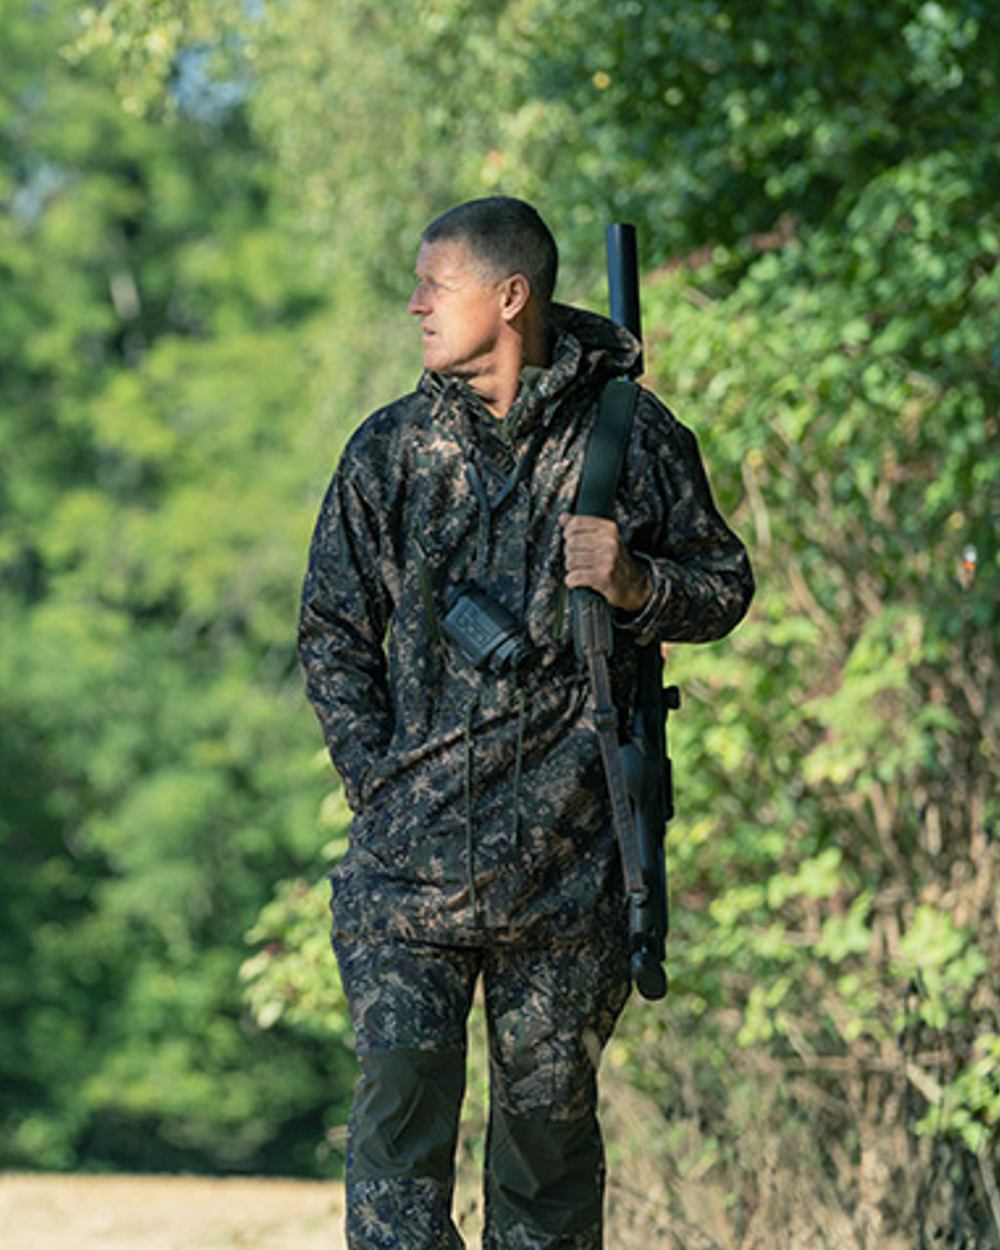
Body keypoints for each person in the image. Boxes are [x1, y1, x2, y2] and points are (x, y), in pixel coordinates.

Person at [298, 196, 754, 1250]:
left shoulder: (632, 440)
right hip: (407, 883)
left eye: (436, 284)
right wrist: (384, 782)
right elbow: (330, 629)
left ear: (511, 297)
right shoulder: (392, 451)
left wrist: (639, 583)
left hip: (569, 876)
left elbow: (725, 585)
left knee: (548, 1182)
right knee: (395, 1177)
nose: (414, 304)